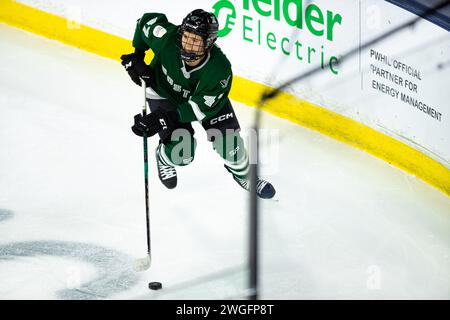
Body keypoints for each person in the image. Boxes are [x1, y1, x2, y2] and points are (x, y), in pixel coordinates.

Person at [120, 9, 275, 199]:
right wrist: (138, 55)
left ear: (208, 43)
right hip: (164, 94)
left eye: (196, 40)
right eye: (186, 36)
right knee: (182, 153)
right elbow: (146, 21)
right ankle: (164, 157)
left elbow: (199, 108)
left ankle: (244, 176)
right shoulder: (168, 38)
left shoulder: (219, 70)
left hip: (203, 102)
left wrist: (162, 118)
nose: (188, 44)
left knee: (231, 146)